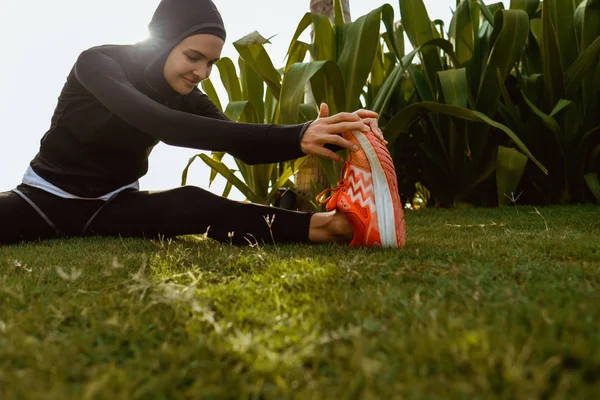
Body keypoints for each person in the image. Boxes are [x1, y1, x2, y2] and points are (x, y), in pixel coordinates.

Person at [0, 0, 405, 247]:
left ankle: (331, 228)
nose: (202, 72)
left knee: (192, 203)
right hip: (43, 200)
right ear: (163, 42)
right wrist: (296, 134)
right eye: (193, 56)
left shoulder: (187, 93)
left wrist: (332, 138)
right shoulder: (99, 64)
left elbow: (240, 142)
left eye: (211, 62)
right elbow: (163, 123)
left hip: (113, 208)